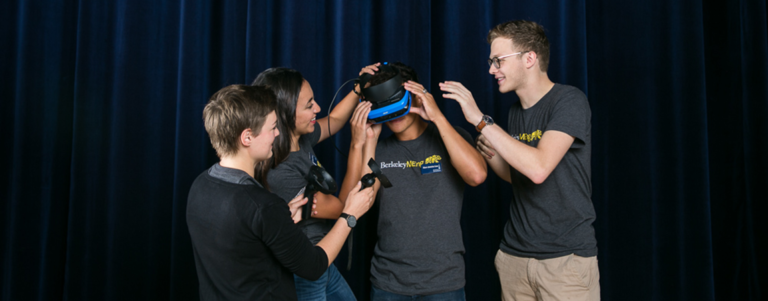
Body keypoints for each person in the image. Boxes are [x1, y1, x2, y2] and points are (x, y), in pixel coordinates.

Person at [439, 20, 600, 300]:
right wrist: (491, 153)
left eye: (498, 61)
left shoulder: (569, 100)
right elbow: (519, 176)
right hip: (514, 259)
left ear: (529, 58)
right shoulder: (515, 112)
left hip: (564, 263)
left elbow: (538, 169)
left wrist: (481, 121)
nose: (492, 70)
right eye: (491, 62)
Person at [186, 84, 375, 301]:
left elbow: (242, 239)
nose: (277, 134)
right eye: (273, 128)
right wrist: (349, 215)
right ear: (247, 137)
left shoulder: (200, 184)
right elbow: (314, 267)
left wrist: (280, 218)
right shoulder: (264, 206)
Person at [351, 62, 488, 300]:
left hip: (443, 282)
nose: (391, 113)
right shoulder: (378, 150)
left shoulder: (451, 138)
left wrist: (437, 117)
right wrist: (367, 143)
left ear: (414, 94)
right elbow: (358, 206)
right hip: (388, 282)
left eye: (395, 100)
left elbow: (476, 176)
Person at [251, 66, 378, 300]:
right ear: (285, 113)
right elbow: (342, 207)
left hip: (322, 265)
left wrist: (359, 87)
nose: (317, 109)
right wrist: (357, 144)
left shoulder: (300, 137)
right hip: (304, 271)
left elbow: (336, 119)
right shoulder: (280, 172)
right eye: (309, 105)